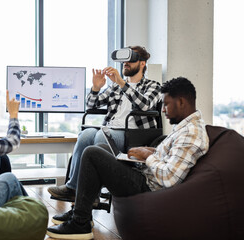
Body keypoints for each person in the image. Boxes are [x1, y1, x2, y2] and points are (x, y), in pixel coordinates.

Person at [46, 77, 209, 239]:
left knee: (92, 153)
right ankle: (82, 214)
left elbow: (169, 177)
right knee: (100, 148)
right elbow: (170, 157)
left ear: (181, 102)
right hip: (145, 174)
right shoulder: (185, 127)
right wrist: (150, 151)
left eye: (166, 104)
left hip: (148, 186)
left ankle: (79, 224)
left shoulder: (191, 134)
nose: (163, 110)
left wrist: (148, 156)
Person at [48, 46, 161, 200]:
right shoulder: (115, 87)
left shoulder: (153, 86)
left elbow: (145, 105)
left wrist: (122, 83)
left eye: (130, 60)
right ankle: (73, 188)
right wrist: (95, 88)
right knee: (86, 135)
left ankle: (91, 195)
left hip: (134, 135)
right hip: (110, 128)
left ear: (142, 63)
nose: (125, 64)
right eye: (123, 61)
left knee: (102, 136)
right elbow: (92, 105)